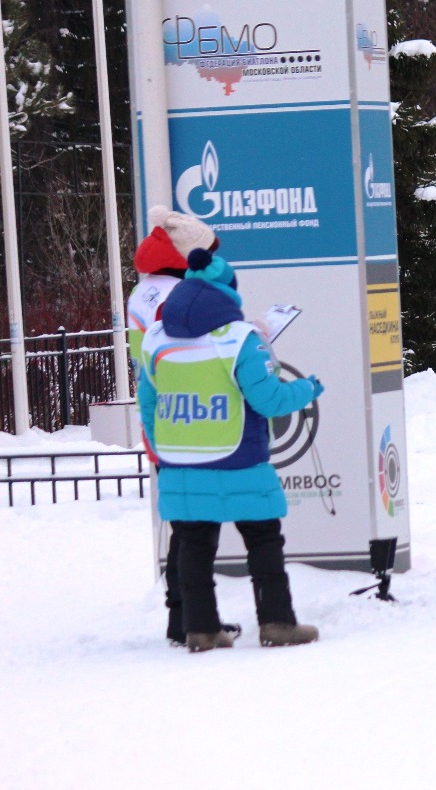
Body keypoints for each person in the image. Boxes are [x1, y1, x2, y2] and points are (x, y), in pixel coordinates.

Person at [137, 247, 324, 651]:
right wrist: (308, 388)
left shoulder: (154, 338)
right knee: (262, 541)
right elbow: (270, 401)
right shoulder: (241, 340)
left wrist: (165, 449)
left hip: (181, 462)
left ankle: (200, 630)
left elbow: (148, 404)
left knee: (192, 545)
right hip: (239, 457)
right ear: (228, 295)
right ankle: (277, 624)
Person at [127, 206, 233, 647]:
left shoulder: (144, 292)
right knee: (196, 528)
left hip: (163, 414)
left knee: (184, 523)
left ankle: (183, 617)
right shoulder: (181, 294)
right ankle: (190, 620)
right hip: (193, 416)